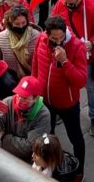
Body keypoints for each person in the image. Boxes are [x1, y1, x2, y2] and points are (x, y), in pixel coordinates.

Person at [51, 0, 94, 137]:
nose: (67, 6)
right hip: (67, 54)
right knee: (63, 83)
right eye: (65, 3)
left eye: (71, 4)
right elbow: (53, 21)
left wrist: (93, 43)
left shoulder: (92, 8)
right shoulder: (61, 4)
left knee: (90, 86)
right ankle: (62, 110)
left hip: (86, 56)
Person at [33, 15, 88, 170]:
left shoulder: (77, 46)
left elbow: (81, 81)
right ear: (47, 34)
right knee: (46, 135)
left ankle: (79, 170)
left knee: (75, 137)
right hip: (45, 101)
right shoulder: (41, 40)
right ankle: (49, 163)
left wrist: (65, 62)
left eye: (61, 38)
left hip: (67, 104)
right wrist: (35, 88)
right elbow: (36, 65)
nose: (58, 42)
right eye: (53, 38)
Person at [0, 75, 52, 163]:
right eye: (19, 95)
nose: (19, 100)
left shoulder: (43, 115)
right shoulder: (8, 102)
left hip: (28, 162)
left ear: (36, 98)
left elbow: (30, 146)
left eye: (25, 98)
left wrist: (4, 138)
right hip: (5, 156)